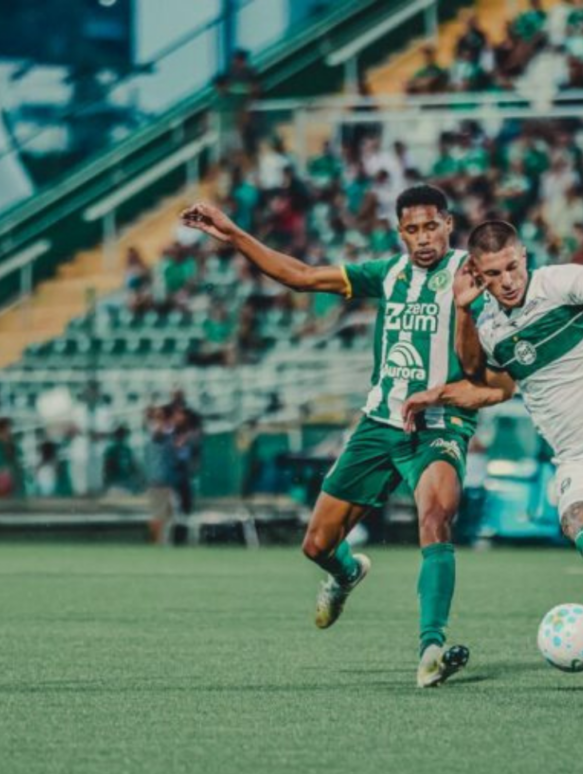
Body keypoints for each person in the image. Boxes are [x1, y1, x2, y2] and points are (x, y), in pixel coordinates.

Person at [180, 185, 476, 687]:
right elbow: (299, 276)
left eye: (432, 226)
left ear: (449, 223)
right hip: (378, 424)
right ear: (399, 232)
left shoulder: (473, 272)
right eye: (412, 229)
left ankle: (431, 646)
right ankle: (345, 573)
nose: (423, 239)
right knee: (316, 544)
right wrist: (233, 235)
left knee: (435, 517)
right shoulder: (388, 275)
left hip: (439, 426)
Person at [403, 220, 583, 673]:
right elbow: (482, 376)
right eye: (493, 275)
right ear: (478, 277)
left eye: (511, 268)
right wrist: (462, 314)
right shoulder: (488, 325)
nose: (506, 281)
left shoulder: (558, 282)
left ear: (524, 258)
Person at [144, 407, 177, 545]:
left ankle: (162, 541)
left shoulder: (164, 434)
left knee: (168, 514)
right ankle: (156, 542)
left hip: (165, 480)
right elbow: (158, 433)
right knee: (158, 514)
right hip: (158, 480)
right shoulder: (156, 431)